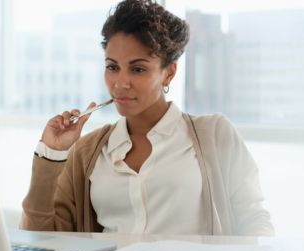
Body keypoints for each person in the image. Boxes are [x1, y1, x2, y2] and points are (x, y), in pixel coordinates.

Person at [20, 0, 274, 236]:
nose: (120, 83)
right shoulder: (87, 152)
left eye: (138, 69)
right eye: (112, 67)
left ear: (169, 73)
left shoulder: (215, 134)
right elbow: (41, 240)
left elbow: (254, 220)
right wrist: (52, 154)